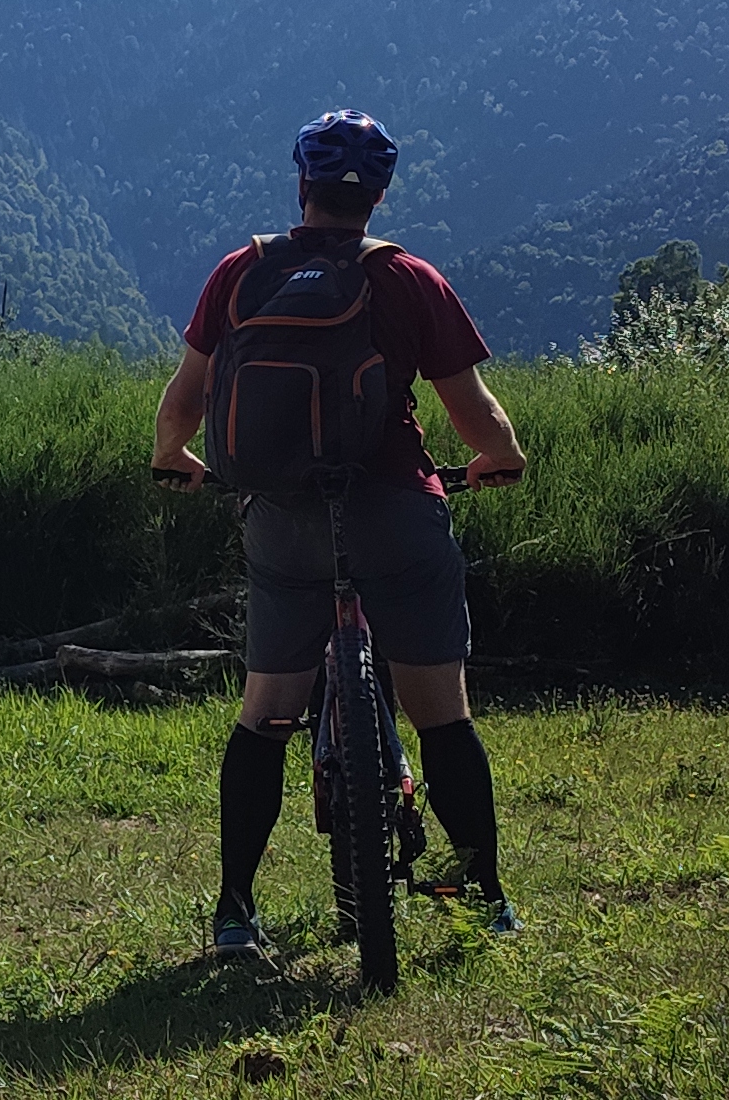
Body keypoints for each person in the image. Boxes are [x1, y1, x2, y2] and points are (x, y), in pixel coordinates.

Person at [150, 108, 528, 954]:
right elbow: (475, 418)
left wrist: (175, 457)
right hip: (394, 513)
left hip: (282, 521)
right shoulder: (408, 279)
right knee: (442, 717)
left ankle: (235, 912)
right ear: (380, 195)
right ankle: (485, 897)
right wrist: (505, 457)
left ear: (301, 187)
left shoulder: (240, 273)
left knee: (264, 717)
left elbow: (182, 403)